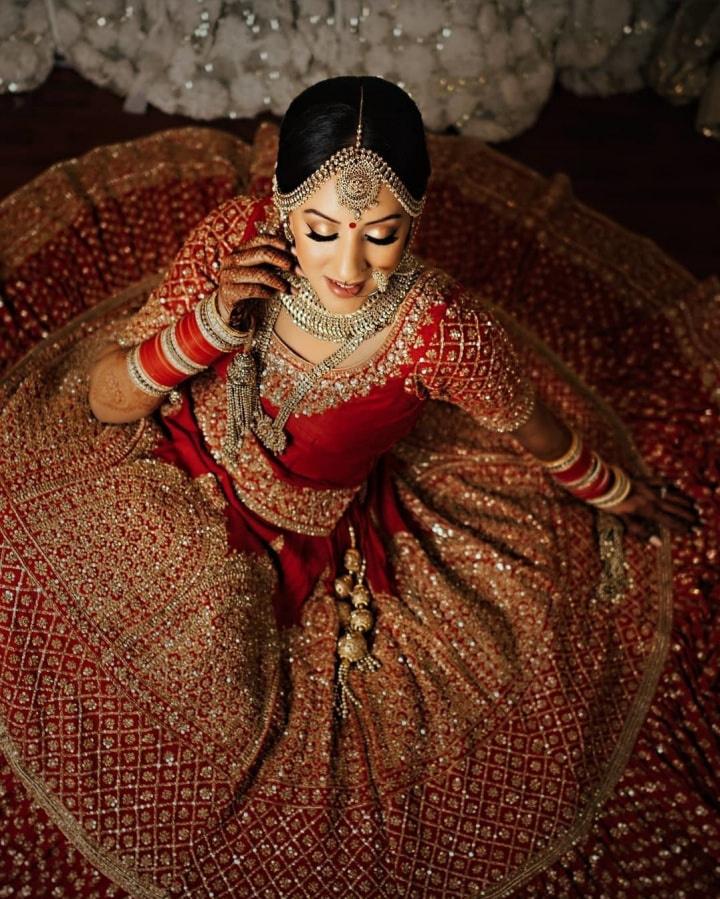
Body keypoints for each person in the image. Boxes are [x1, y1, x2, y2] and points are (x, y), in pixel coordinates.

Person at [0, 76, 712, 898]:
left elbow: (532, 427)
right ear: (281, 201)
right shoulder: (238, 242)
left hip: (281, 533)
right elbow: (104, 401)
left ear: (417, 216)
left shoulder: (443, 333)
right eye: (319, 228)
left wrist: (612, 488)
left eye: (381, 235)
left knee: (226, 732)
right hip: (169, 454)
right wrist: (215, 324)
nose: (347, 266)